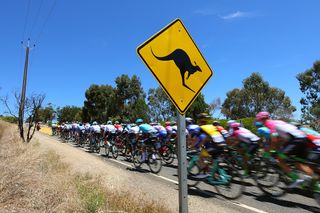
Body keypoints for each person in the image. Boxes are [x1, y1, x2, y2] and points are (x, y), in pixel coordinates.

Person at [256, 111, 314, 188]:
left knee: (279, 159)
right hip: (303, 138)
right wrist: (278, 148)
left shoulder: (269, 124)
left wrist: (268, 151)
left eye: (259, 120)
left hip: (296, 139)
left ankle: (296, 179)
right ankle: (315, 183)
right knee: (299, 164)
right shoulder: (277, 121)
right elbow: (280, 139)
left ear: (261, 120)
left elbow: (274, 141)